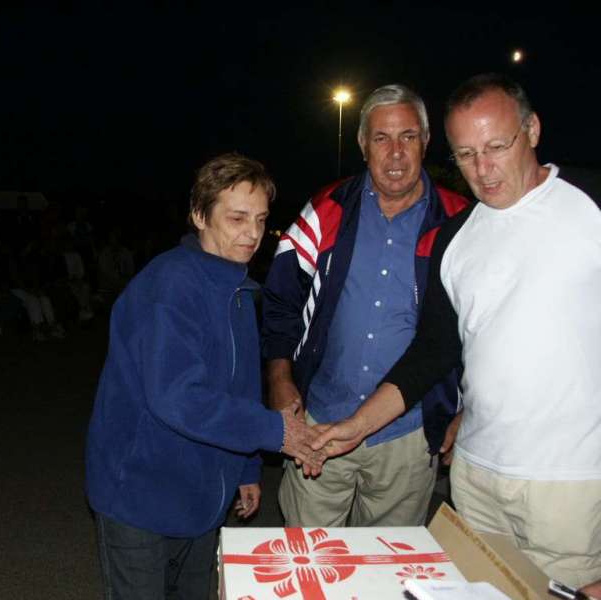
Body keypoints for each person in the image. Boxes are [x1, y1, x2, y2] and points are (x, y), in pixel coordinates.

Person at [312, 73, 601, 588]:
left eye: (496, 146)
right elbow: (433, 351)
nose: (483, 170)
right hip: (473, 476)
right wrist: (359, 425)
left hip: (570, 483)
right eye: (466, 154)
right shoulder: (454, 236)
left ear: (532, 130)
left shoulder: (588, 203)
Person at [85, 153, 324, 600]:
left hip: (201, 500)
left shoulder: (237, 290)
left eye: (261, 219)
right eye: (237, 218)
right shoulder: (171, 285)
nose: (253, 233)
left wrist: (247, 467)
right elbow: (177, 397)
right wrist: (276, 432)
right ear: (199, 215)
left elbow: (240, 390)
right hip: (140, 495)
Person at [262, 84, 468, 528]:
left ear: (426, 142)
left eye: (408, 137)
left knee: (388, 570)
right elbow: (280, 301)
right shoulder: (325, 210)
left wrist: (469, 409)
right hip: (320, 421)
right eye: (381, 138)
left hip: (409, 434)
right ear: (362, 145)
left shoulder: (459, 223)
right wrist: (279, 378)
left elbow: (480, 332)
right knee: (311, 561)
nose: (395, 152)